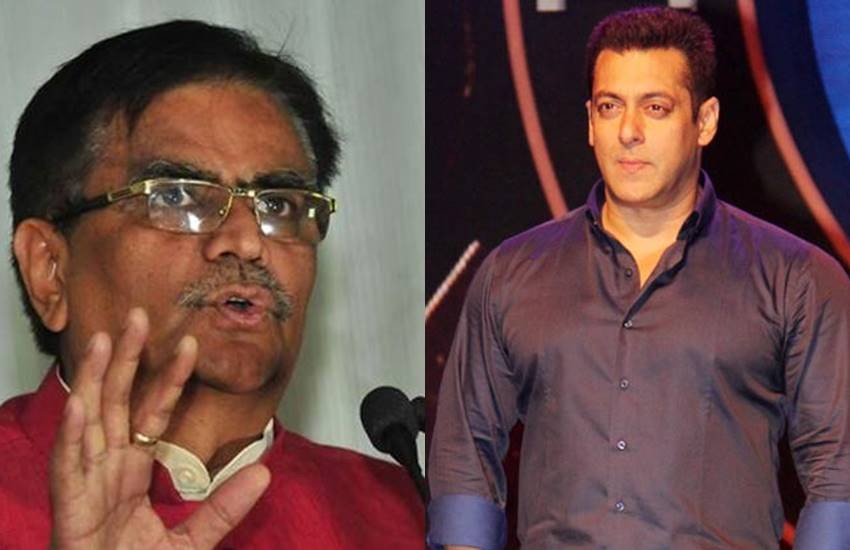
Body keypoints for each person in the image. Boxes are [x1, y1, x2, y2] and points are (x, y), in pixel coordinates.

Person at [428, 7, 850, 549]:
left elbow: (837, 471)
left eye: (655, 108)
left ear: (705, 121)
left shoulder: (797, 279)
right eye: (610, 107)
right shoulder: (512, 275)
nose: (628, 132)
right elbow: (465, 454)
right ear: (590, 121)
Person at [0, 20, 423, 548]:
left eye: (278, 205)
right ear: (50, 269)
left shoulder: (407, 516)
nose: (247, 241)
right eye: (176, 197)